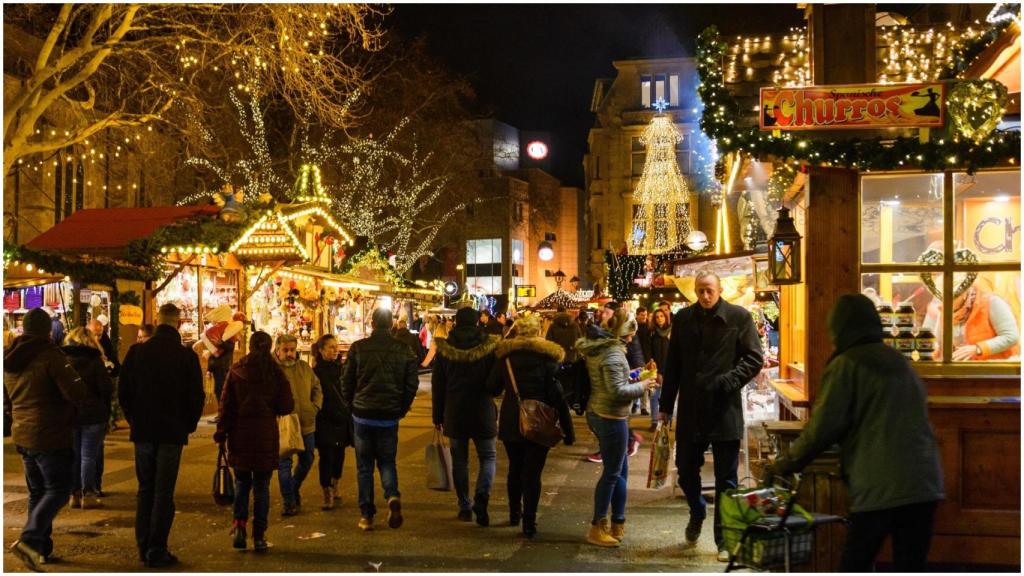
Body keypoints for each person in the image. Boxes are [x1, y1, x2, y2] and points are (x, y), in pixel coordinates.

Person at [771, 294, 944, 572]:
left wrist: (786, 463)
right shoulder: (898, 360)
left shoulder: (847, 364)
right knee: (910, 565)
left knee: (856, 562)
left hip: (880, 483)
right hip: (925, 482)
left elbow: (822, 428)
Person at [659, 270, 763, 562]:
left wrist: (728, 381)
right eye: (700, 291)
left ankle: (725, 540)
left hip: (724, 409)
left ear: (719, 291)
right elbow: (674, 366)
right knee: (685, 468)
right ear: (694, 290)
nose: (705, 296)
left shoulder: (739, 317)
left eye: (709, 291)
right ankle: (697, 510)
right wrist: (665, 406)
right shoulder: (683, 319)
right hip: (691, 409)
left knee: (726, 480)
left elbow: (755, 358)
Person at [118, 303, 205, 568]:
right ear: (178, 323)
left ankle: (143, 544)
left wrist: (134, 419)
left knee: (145, 489)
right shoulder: (186, 357)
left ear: (157, 321)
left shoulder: (137, 353)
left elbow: (124, 392)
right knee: (163, 491)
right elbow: (196, 397)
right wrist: (187, 425)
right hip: (172, 432)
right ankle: (157, 547)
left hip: (143, 430)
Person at [3, 308, 85, 571]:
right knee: (59, 489)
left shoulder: (10, 358)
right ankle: (29, 539)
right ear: (47, 331)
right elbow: (74, 391)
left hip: (23, 433)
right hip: (49, 433)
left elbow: (6, 400)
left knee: (37, 491)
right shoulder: (51, 356)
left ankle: (39, 549)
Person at [487, 315, 575, 538]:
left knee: (515, 468)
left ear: (517, 332)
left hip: (511, 419)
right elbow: (557, 394)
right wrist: (568, 430)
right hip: (539, 422)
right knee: (533, 473)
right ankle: (529, 522)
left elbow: (492, 388)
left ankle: (514, 513)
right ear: (538, 332)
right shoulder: (547, 358)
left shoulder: (505, 357)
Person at [576, 309, 652, 547]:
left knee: (620, 470)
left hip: (607, 414)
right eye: (630, 335)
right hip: (609, 416)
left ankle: (618, 521)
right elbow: (617, 391)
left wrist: (639, 374)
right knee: (612, 473)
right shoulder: (613, 354)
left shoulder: (605, 350)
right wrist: (645, 385)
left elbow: (617, 379)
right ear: (621, 333)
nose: (631, 339)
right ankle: (598, 526)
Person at [214, 331, 293, 552]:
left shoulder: (237, 369)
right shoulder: (275, 372)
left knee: (241, 484)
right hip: (265, 436)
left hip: (240, 435)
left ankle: (239, 526)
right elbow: (287, 405)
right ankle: (259, 535)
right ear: (269, 347)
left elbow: (225, 405)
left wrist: (221, 433)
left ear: (249, 346)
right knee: (261, 487)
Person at [342, 308, 419, 531]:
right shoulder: (403, 349)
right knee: (387, 462)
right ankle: (392, 495)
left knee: (364, 467)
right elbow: (411, 384)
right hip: (388, 416)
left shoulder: (358, 348)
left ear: (373, 324)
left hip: (363, 415)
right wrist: (401, 408)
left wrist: (352, 405)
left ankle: (367, 514)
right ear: (391, 324)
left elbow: (346, 380)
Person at [432, 306, 501, 526]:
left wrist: (437, 415)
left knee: (459, 461)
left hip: (455, 410)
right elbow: (495, 383)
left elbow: (438, 384)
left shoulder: (445, 349)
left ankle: (464, 506)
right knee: (488, 457)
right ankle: (482, 497)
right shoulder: (489, 347)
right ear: (477, 322)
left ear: (456, 323)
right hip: (482, 408)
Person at [62, 328, 114, 510]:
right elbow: (106, 388)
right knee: (88, 456)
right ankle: (88, 493)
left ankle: (74, 494)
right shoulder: (94, 361)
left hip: (71, 413)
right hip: (94, 414)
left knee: (74, 456)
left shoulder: (64, 361)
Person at [274, 333, 322, 516]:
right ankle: (289, 501)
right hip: (285, 424)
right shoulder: (273, 371)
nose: (289, 354)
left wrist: (315, 406)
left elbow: (317, 387)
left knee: (308, 458)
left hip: (306, 423)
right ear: (277, 350)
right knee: (284, 463)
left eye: (292, 350)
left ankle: (293, 487)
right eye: (285, 350)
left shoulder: (304, 368)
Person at [312, 333, 353, 511]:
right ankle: (326, 491)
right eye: (330, 347)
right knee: (326, 456)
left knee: (339, 455)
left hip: (342, 418)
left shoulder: (342, 369)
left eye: (335, 347)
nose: (334, 350)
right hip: (325, 419)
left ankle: (336, 483)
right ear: (321, 350)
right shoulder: (316, 372)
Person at [647, 308, 672, 432]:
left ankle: (668, 420)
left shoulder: (672, 332)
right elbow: (650, 352)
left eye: (661, 316)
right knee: (653, 396)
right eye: (657, 317)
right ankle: (654, 421)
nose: (659, 319)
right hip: (655, 371)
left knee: (668, 396)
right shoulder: (652, 333)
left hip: (670, 370)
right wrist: (656, 371)